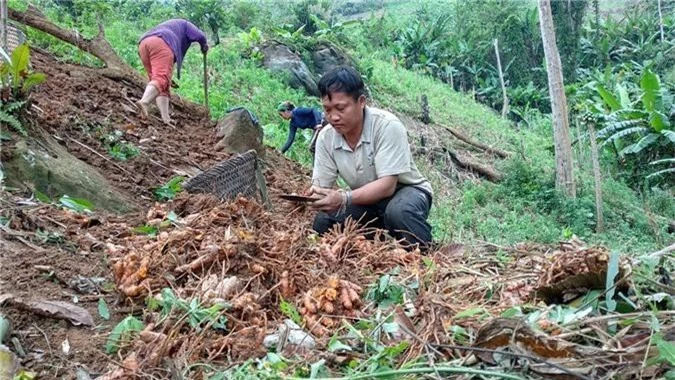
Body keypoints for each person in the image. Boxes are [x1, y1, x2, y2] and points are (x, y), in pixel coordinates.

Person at [309, 66, 433, 250]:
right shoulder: (326, 137)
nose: (333, 117)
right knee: (325, 221)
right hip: (364, 200)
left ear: (361, 102)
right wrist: (315, 196)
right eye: (327, 110)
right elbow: (322, 187)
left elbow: (387, 185)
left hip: (406, 191)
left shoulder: (387, 126)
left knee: (399, 212)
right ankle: (373, 250)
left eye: (340, 108)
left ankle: (428, 259)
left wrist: (343, 198)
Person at [136, 19, 208, 125]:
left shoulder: (171, 25)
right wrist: (204, 46)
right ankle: (144, 101)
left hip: (143, 44)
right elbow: (200, 36)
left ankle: (166, 118)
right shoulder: (185, 24)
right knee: (161, 78)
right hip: (162, 42)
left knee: (162, 85)